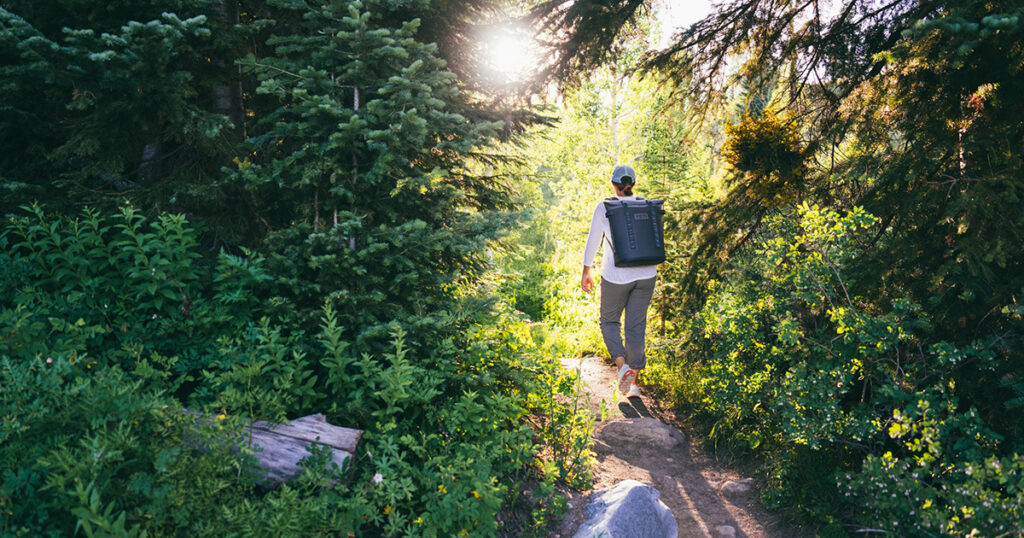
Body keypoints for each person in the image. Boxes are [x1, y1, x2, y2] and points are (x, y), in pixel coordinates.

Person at [580, 165, 658, 399]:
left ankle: (622, 366)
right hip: (647, 273)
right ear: (632, 183)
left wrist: (586, 271)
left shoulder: (605, 207)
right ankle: (632, 385)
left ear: (612, 184)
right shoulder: (646, 205)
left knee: (609, 321)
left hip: (616, 276)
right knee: (636, 326)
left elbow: (593, 241)